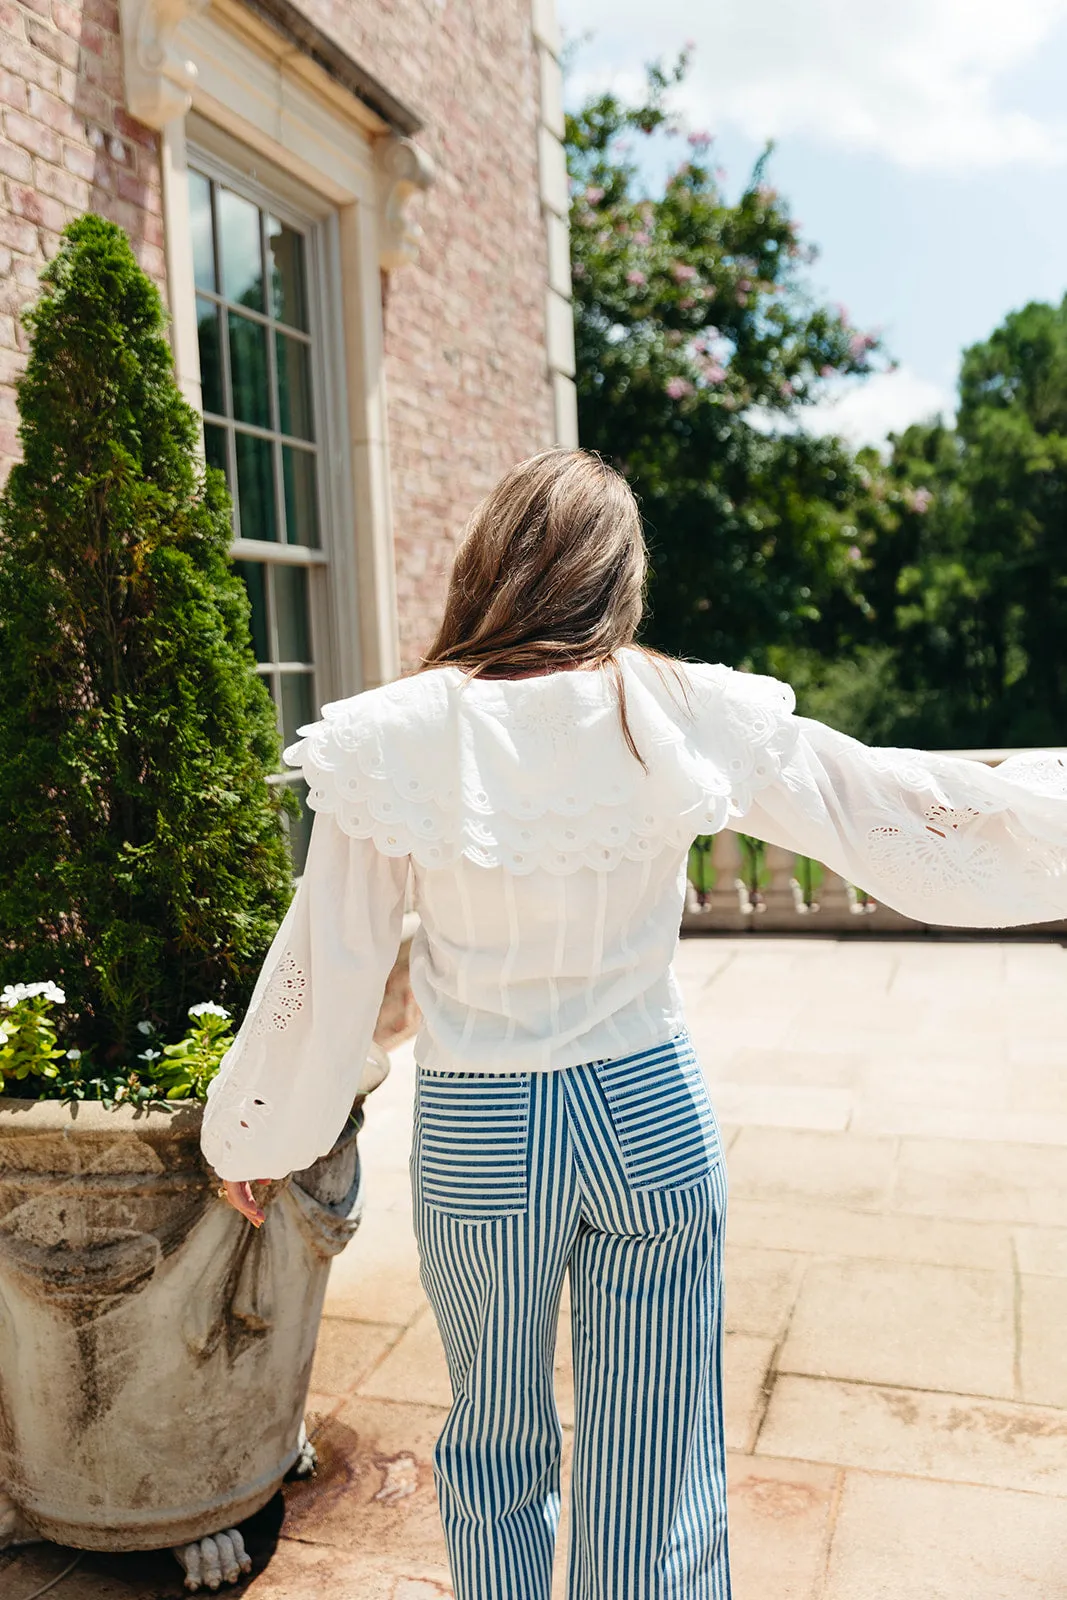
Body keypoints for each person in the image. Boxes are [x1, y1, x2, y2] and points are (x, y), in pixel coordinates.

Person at [201, 447, 1067, 1600]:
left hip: (480, 1130)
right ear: (618, 577)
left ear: (485, 565)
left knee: (494, 1436)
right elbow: (891, 808)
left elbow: (334, 954)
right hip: (646, 1111)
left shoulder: (392, 736)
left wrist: (255, 1132)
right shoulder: (682, 706)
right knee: (656, 1463)